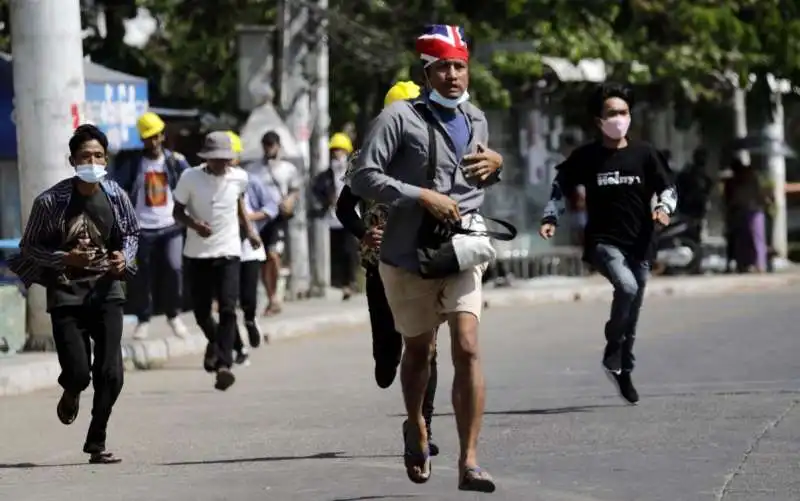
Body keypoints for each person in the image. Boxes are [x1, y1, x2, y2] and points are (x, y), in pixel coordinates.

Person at [349, 24, 503, 492]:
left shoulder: (476, 117)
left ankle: (469, 462)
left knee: (469, 345)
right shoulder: (398, 118)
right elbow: (361, 178)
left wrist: (496, 166)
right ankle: (415, 423)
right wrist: (420, 196)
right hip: (405, 253)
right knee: (419, 351)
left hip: (461, 247)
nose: (453, 76)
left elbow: (472, 182)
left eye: (460, 66)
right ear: (427, 72)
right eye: (443, 68)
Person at [539, 82, 677, 405]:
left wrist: (663, 208)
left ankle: (620, 366)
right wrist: (550, 217)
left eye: (624, 112)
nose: (619, 118)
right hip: (603, 242)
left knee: (632, 312)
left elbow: (668, 187)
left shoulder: (645, 154)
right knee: (626, 288)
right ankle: (612, 343)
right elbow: (562, 185)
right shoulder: (587, 157)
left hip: (641, 242)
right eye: (611, 113)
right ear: (598, 121)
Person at [9, 124, 140, 464]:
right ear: (72, 160)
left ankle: (96, 439)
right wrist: (64, 257)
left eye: (98, 155)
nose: (92, 161)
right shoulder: (51, 201)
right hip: (66, 292)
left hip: (108, 289)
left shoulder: (116, 196)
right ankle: (71, 390)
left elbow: (131, 234)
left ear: (106, 159)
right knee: (80, 372)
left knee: (111, 372)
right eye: (85, 156)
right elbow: (29, 248)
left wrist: (123, 258)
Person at [336, 81, 440, 457]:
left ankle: (423, 425)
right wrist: (366, 235)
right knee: (388, 355)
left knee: (427, 349)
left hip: (422, 260)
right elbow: (344, 208)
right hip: (379, 265)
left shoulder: (433, 153)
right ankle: (386, 359)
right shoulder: (367, 158)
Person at [172, 131, 262, 391]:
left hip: (229, 251)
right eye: (216, 159)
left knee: (227, 308)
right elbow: (176, 212)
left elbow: (239, 205)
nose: (221, 164)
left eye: (225, 159)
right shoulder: (190, 178)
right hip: (197, 253)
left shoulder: (239, 178)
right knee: (201, 313)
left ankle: (224, 365)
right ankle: (216, 344)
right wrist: (194, 224)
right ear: (206, 158)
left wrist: (251, 232)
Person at [113, 111, 191, 340]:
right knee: (141, 275)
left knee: (174, 267)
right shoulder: (133, 163)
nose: (153, 141)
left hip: (171, 226)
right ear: (143, 139)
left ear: (162, 136)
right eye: (149, 137)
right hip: (142, 229)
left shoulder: (175, 161)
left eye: (156, 136)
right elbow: (116, 189)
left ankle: (173, 315)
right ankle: (143, 318)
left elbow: (192, 185)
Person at [226, 131, 280, 364]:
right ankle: (239, 348)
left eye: (228, 156)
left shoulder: (250, 180)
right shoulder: (205, 181)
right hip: (221, 248)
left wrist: (249, 217)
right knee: (227, 302)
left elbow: (271, 207)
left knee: (248, 297)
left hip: (248, 246)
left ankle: (250, 320)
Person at [247, 131, 302, 316]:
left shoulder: (288, 169)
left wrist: (290, 201)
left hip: (278, 218)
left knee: (273, 255)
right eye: (266, 144)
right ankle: (272, 298)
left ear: (278, 146)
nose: (269, 148)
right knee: (263, 260)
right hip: (260, 218)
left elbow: (295, 190)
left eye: (272, 144)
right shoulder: (253, 170)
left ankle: (276, 295)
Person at [315, 132, 359, 300]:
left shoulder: (353, 170)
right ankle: (342, 283)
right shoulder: (326, 174)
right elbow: (317, 190)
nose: (336, 154)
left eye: (340, 150)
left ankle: (351, 282)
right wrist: (327, 200)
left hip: (351, 215)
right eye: (334, 150)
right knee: (337, 251)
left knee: (350, 250)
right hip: (333, 218)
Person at [723, 158, 769, 273]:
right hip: (750, 211)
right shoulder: (748, 181)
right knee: (752, 239)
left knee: (747, 240)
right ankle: (756, 264)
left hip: (746, 211)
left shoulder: (738, 182)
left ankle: (752, 264)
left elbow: (732, 199)